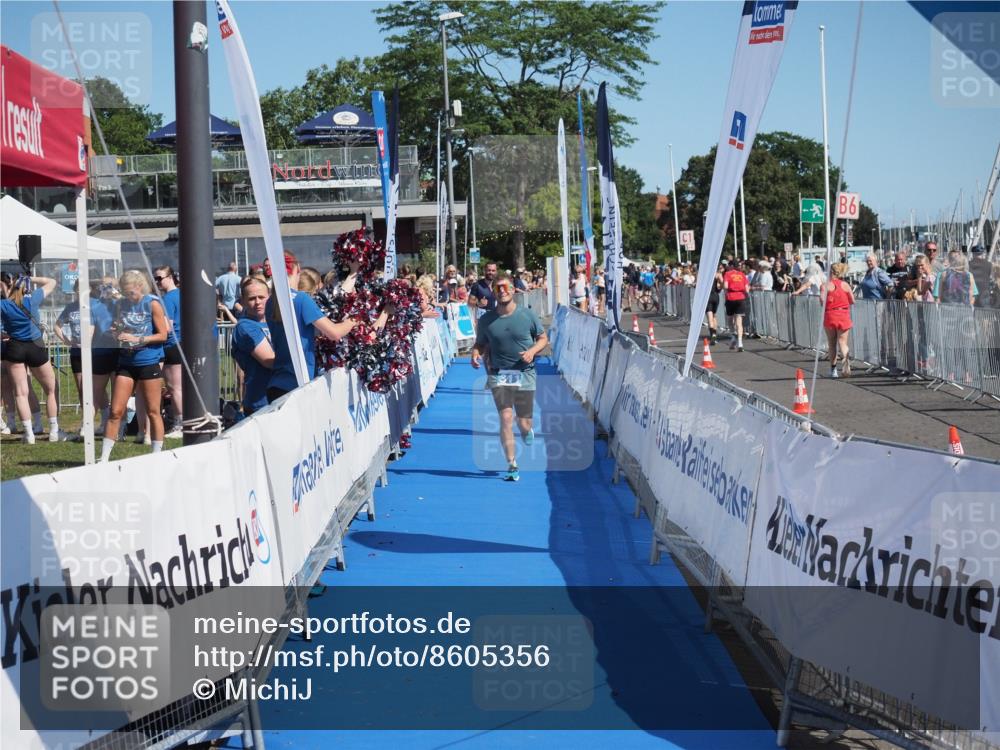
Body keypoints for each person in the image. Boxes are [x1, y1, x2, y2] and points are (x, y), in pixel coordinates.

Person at [470, 273, 548, 482]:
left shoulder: (527, 315)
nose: (502, 291)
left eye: (505, 287)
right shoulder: (486, 320)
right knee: (505, 417)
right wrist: (475, 352)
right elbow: (480, 343)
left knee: (524, 423)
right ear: (494, 292)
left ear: (513, 290)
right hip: (499, 373)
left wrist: (532, 351)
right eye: (498, 288)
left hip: (524, 372)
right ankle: (512, 464)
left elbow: (543, 338)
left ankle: (526, 430)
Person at [265, 251, 358, 403]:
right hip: (296, 385)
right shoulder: (301, 299)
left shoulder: (271, 302)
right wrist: (355, 319)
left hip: (277, 383)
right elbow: (334, 333)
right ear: (298, 269)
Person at [101, 270, 170, 461]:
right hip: (126, 361)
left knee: (153, 410)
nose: (128, 297)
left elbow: (163, 335)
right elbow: (117, 325)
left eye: (131, 292)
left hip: (148, 361)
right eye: (125, 293)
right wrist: (116, 331)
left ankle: (157, 456)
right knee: (115, 410)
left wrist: (138, 338)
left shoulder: (152, 303)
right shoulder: (121, 303)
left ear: (140, 287)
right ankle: (104, 458)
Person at [0, 274, 66, 443]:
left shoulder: (3, 305)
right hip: (35, 346)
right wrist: (31, 277)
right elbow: (52, 281)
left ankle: (28, 434)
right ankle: (53, 430)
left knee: (21, 393)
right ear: (27, 288)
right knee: (51, 389)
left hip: (14, 347)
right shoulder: (32, 299)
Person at [54, 279, 115, 438]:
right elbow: (57, 326)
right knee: (83, 388)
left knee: (97, 388)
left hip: (94, 352)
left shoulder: (96, 304)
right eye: (77, 289)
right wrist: (67, 341)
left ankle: (104, 419)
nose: (80, 293)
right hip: (77, 352)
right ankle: (86, 421)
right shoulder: (71, 307)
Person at [231, 276, 275, 416]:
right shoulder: (245, 327)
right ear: (242, 301)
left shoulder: (275, 321)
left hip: (280, 395)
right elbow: (270, 361)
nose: (258, 302)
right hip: (261, 402)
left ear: (269, 297)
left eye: (261, 297)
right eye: (252, 298)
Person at [154, 266, 184, 438]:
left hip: (173, 344)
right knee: (179, 387)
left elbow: (167, 327)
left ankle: (180, 424)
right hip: (182, 344)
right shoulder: (183, 294)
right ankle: (181, 421)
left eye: (160, 278)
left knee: (175, 387)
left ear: (170, 277)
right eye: (155, 279)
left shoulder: (168, 298)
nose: (157, 282)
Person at [822, 263, 854, 378]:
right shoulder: (845, 285)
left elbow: (822, 301)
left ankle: (833, 370)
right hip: (843, 314)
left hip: (830, 314)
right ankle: (846, 365)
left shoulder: (825, 285)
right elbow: (852, 300)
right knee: (843, 343)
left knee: (831, 343)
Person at [723, 260, 749, 351]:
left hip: (730, 297)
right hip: (740, 298)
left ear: (731, 266)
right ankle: (740, 342)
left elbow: (725, 286)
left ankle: (733, 335)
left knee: (730, 319)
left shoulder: (727, 274)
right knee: (739, 321)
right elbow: (747, 289)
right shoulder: (742, 275)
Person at [705, 266, 724, 345]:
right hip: (715, 295)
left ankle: (712, 334)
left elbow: (697, 283)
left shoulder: (704, 274)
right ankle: (715, 335)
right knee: (714, 315)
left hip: (707, 296)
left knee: (709, 317)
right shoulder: (718, 274)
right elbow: (723, 283)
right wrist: (719, 289)